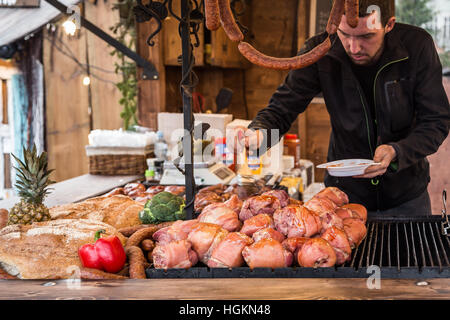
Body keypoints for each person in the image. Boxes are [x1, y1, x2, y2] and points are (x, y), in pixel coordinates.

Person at [228, 0, 450, 216]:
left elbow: (436, 121)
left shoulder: (416, 46)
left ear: (389, 25)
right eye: (345, 35)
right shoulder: (319, 50)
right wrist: (259, 132)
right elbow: (283, 105)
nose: (354, 47)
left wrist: (397, 151)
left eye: (366, 36)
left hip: (406, 196)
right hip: (343, 196)